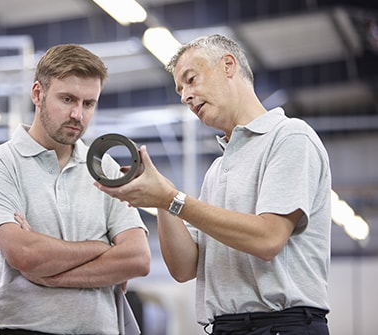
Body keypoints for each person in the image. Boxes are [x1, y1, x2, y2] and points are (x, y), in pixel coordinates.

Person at [96, 34, 332, 335]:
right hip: (225, 327)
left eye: (191, 80)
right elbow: (184, 268)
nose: (185, 96)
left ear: (228, 66)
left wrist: (173, 198)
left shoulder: (289, 137)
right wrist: (162, 202)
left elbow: (268, 239)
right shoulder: (218, 169)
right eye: (180, 90)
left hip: (282, 325)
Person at [0, 43, 151, 335]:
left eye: (88, 103)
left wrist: (50, 275)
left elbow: (138, 258)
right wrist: (101, 249)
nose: (77, 115)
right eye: (67, 99)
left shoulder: (104, 168)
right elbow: (23, 255)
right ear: (37, 94)